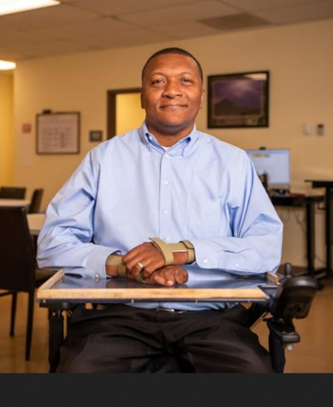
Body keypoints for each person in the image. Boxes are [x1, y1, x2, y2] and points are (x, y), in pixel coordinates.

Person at [37, 47, 283, 373]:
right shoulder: (103, 160)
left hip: (210, 318)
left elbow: (266, 246)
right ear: (142, 95)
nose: (172, 90)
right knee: (79, 372)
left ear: (200, 94)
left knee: (251, 373)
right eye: (158, 81)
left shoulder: (233, 162)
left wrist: (180, 252)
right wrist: (124, 266)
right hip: (118, 317)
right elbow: (52, 243)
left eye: (185, 80)